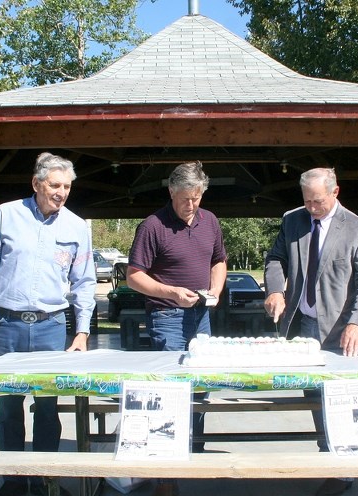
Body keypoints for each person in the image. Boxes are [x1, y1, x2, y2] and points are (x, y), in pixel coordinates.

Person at [0, 152, 96, 496]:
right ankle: (13, 482)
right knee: (9, 407)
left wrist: (82, 331)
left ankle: (46, 481)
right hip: (7, 325)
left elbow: (85, 283)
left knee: (47, 408)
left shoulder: (76, 225)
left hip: (51, 327)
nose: (61, 192)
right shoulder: (5, 215)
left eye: (67, 186)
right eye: (55, 185)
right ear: (36, 183)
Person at [264, 167, 358, 496]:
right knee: (316, 399)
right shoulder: (293, 220)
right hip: (304, 326)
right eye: (306, 201)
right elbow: (275, 258)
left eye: (318, 201)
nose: (312, 208)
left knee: (344, 400)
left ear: (335, 192)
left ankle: (346, 469)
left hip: (344, 330)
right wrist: (275, 290)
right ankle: (331, 456)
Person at [126, 160, 227, 496]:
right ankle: (165, 475)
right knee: (169, 393)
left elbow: (219, 259)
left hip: (201, 317)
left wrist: (216, 287)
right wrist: (171, 292)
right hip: (166, 317)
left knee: (200, 390)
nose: (192, 204)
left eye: (197, 197)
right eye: (186, 198)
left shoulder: (210, 221)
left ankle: (191, 456)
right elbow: (134, 276)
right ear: (171, 191)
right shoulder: (152, 226)